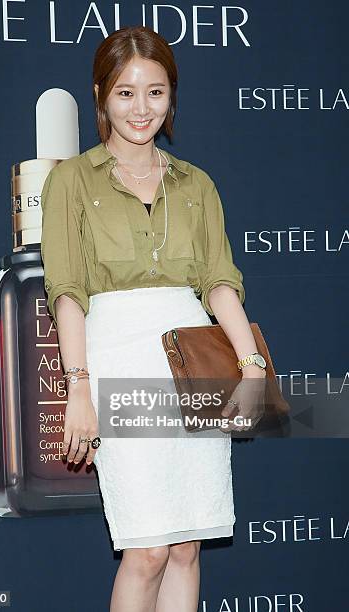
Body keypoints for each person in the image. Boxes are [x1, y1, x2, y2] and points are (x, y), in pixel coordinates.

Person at [40, 24, 267, 612]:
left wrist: (251, 365)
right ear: (100, 96)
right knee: (146, 550)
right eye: (125, 93)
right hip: (117, 356)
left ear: (171, 97)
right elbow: (66, 292)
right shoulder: (70, 180)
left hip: (193, 362)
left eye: (156, 92)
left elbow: (219, 282)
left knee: (187, 545)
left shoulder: (197, 185)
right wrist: (79, 387)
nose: (141, 109)